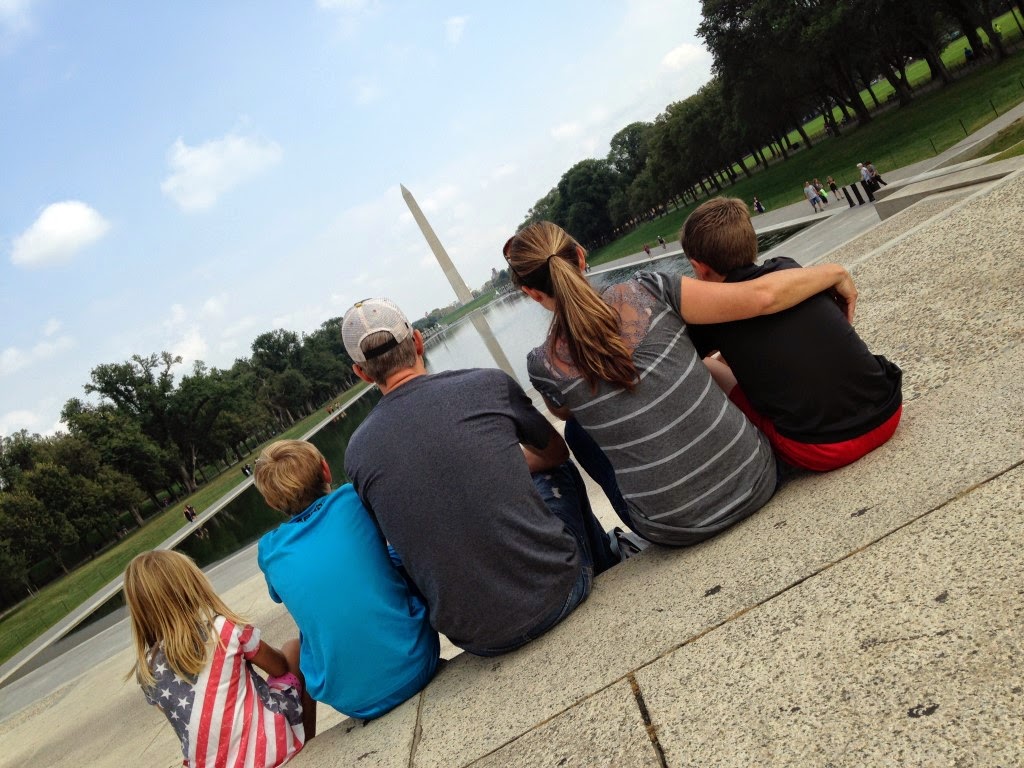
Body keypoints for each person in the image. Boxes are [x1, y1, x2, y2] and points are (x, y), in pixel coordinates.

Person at [505, 221, 858, 547]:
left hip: (672, 529)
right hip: (757, 478)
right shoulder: (649, 289)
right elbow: (762, 297)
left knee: (577, 432)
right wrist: (834, 273)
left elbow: (565, 411)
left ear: (531, 293)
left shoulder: (542, 364)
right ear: (581, 256)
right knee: (695, 363)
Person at [341, 298, 624, 657]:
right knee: (557, 472)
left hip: (476, 637)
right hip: (559, 593)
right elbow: (555, 453)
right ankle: (603, 561)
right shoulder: (486, 383)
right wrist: (499, 463)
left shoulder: (357, 452)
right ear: (417, 341)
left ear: (362, 373)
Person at [683, 198, 903, 471]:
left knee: (706, 364)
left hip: (823, 448)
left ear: (699, 267)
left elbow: (686, 362)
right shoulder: (786, 268)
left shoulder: (709, 316)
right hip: (888, 410)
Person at [253, 439, 439, 720]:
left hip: (351, 701)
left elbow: (278, 594)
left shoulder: (269, 550)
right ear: (326, 470)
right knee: (397, 560)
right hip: (419, 663)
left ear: (269, 501)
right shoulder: (352, 499)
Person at [124, 550, 310, 768]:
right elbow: (279, 667)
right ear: (192, 587)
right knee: (293, 649)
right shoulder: (225, 628)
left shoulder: (146, 669)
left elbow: (181, 716)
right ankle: (305, 742)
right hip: (268, 752)